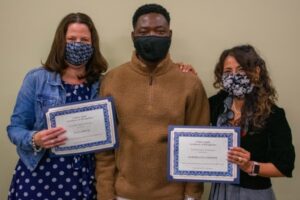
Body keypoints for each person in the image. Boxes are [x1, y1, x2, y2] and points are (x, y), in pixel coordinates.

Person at [95, 4, 210, 200]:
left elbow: (197, 145)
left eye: (159, 31)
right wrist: (105, 195)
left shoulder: (190, 83)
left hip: (174, 196)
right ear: (133, 36)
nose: (152, 36)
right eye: (144, 31)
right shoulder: (112, 80)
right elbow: (104, 150)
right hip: (123, 194)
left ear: (170, 34)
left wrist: (192, 195)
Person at [7, 13, 108, 200]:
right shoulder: (36, 79)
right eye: (71, 39)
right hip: (38, 177)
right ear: (61, 42)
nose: (78, 44)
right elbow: (15, 129)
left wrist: (177, 69)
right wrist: (35, 139)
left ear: (93, 45)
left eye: (84, 40)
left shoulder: (103, 83)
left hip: (85, 179)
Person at [208, 45, 295, 200]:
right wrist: (186, 74)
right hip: (220, 192)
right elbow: (191, 110)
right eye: (228, 71)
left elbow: (284, 167)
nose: (234, 76)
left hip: (254, 194)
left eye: (241, 69)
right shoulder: (216, 105)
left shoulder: (274, 115)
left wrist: (250, 166)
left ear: (255, 72)